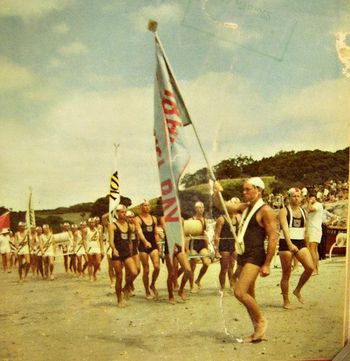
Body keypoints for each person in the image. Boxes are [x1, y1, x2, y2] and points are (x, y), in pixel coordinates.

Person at [213, 177, 278, 342]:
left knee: (239, 292)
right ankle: (257, 331)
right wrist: (216, 192)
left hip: (255, 255)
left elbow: (272, 238)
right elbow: (221, 205)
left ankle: (261, 320)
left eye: (247, 189)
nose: (244, 192)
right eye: (243, 189)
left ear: (259, 190)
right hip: (243, 254)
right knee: (249, 294)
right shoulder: (245, 208)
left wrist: (267, 264)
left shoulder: (265, 210)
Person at [278, 188, 314, 309]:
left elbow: (306, 230)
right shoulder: (284, 211)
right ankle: (286, 300)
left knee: (310, 268)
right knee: (286, 273)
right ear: (289, 198)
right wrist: (289, 244)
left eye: (298, 196)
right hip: (286, 242)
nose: (296, 198)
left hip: (300, 242)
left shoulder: (304, 211)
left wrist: (307, 245)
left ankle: (297, 290)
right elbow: (284, 228)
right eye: (294, 196)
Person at [108, 205, 138, 307]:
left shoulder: (129, 226)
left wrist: (131, 252)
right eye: (121, 212)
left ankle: (125, 288)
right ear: (117, 214)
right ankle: (119, 300)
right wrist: (114, 249)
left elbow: (130, 241)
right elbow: (111, 241)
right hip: (117, 253)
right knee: (119, 277)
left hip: (126, 253)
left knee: (134, 272)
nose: (124, 214)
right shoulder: (112, 225)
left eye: (125, 212)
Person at [158, 216, 192, 303]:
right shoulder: (164, 218)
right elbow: (167, 231)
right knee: (172, 273)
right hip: (170, 247)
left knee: (188, 270)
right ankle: (170, 296)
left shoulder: (181, 219)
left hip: (179, 246)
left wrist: (186, 248)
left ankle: (181, 290)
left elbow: (182, 234)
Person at [214, 197, 241, 292]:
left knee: (232, 266)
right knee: (224, 267)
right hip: (224, 244)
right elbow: (216, 235)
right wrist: (216, 250)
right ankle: (222, 288)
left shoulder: (238, 218)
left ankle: (232, 285)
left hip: (233, 243)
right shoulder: (221, 219)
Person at [135, 200, 161, 299]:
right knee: (146, 270)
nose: (147, 207)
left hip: (153, 244)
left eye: (148, 205)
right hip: (143, 245)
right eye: (144, 205)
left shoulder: (154, 218)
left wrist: (158, 245)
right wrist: (145, 242)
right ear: (140, 207)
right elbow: (139, 231)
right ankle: (147, 291)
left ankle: (152, 284)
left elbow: (155, 233)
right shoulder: (137, 219)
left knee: (157, 267)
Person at [188, 201, 211, 292]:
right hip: (193, 244)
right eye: (199, 207)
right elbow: (187, 235)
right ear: (195, 209)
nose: (201, 209)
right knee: (193, 265)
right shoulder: (191, 220)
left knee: (206, 263)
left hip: (202, 244)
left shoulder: (205, 220)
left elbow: (205, 234)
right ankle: (191, 285)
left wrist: (208, 247)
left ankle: (198, 280)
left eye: (202, 207)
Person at [306, 190, 324, 275]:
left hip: (315, 229)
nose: (308, 199)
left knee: (312, 250)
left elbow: (310, 209)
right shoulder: (312, 205)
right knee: (313, 250)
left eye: (309, 197)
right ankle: (315, 268)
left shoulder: (318, 205)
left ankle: (314, 269)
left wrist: (309, 202)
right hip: (311, 229)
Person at [125, 210, 140, 295]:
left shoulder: (135, 225)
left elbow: (137, 236)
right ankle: (128, 289)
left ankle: (129, 284)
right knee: (128, 271)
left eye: (132, 217)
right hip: (127, 250)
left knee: (138, 269)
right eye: (129, 217)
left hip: (134, 249)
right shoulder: (125, 226)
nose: (131, 219)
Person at [102, 213, 115, 288]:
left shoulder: (120, 223)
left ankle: (116, 275)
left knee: (121, 264)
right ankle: (112, 281)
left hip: (118, 245)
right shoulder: (108, 225)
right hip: (109, 246)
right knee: (111, 265)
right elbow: (103, 217)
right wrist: (112, 211)